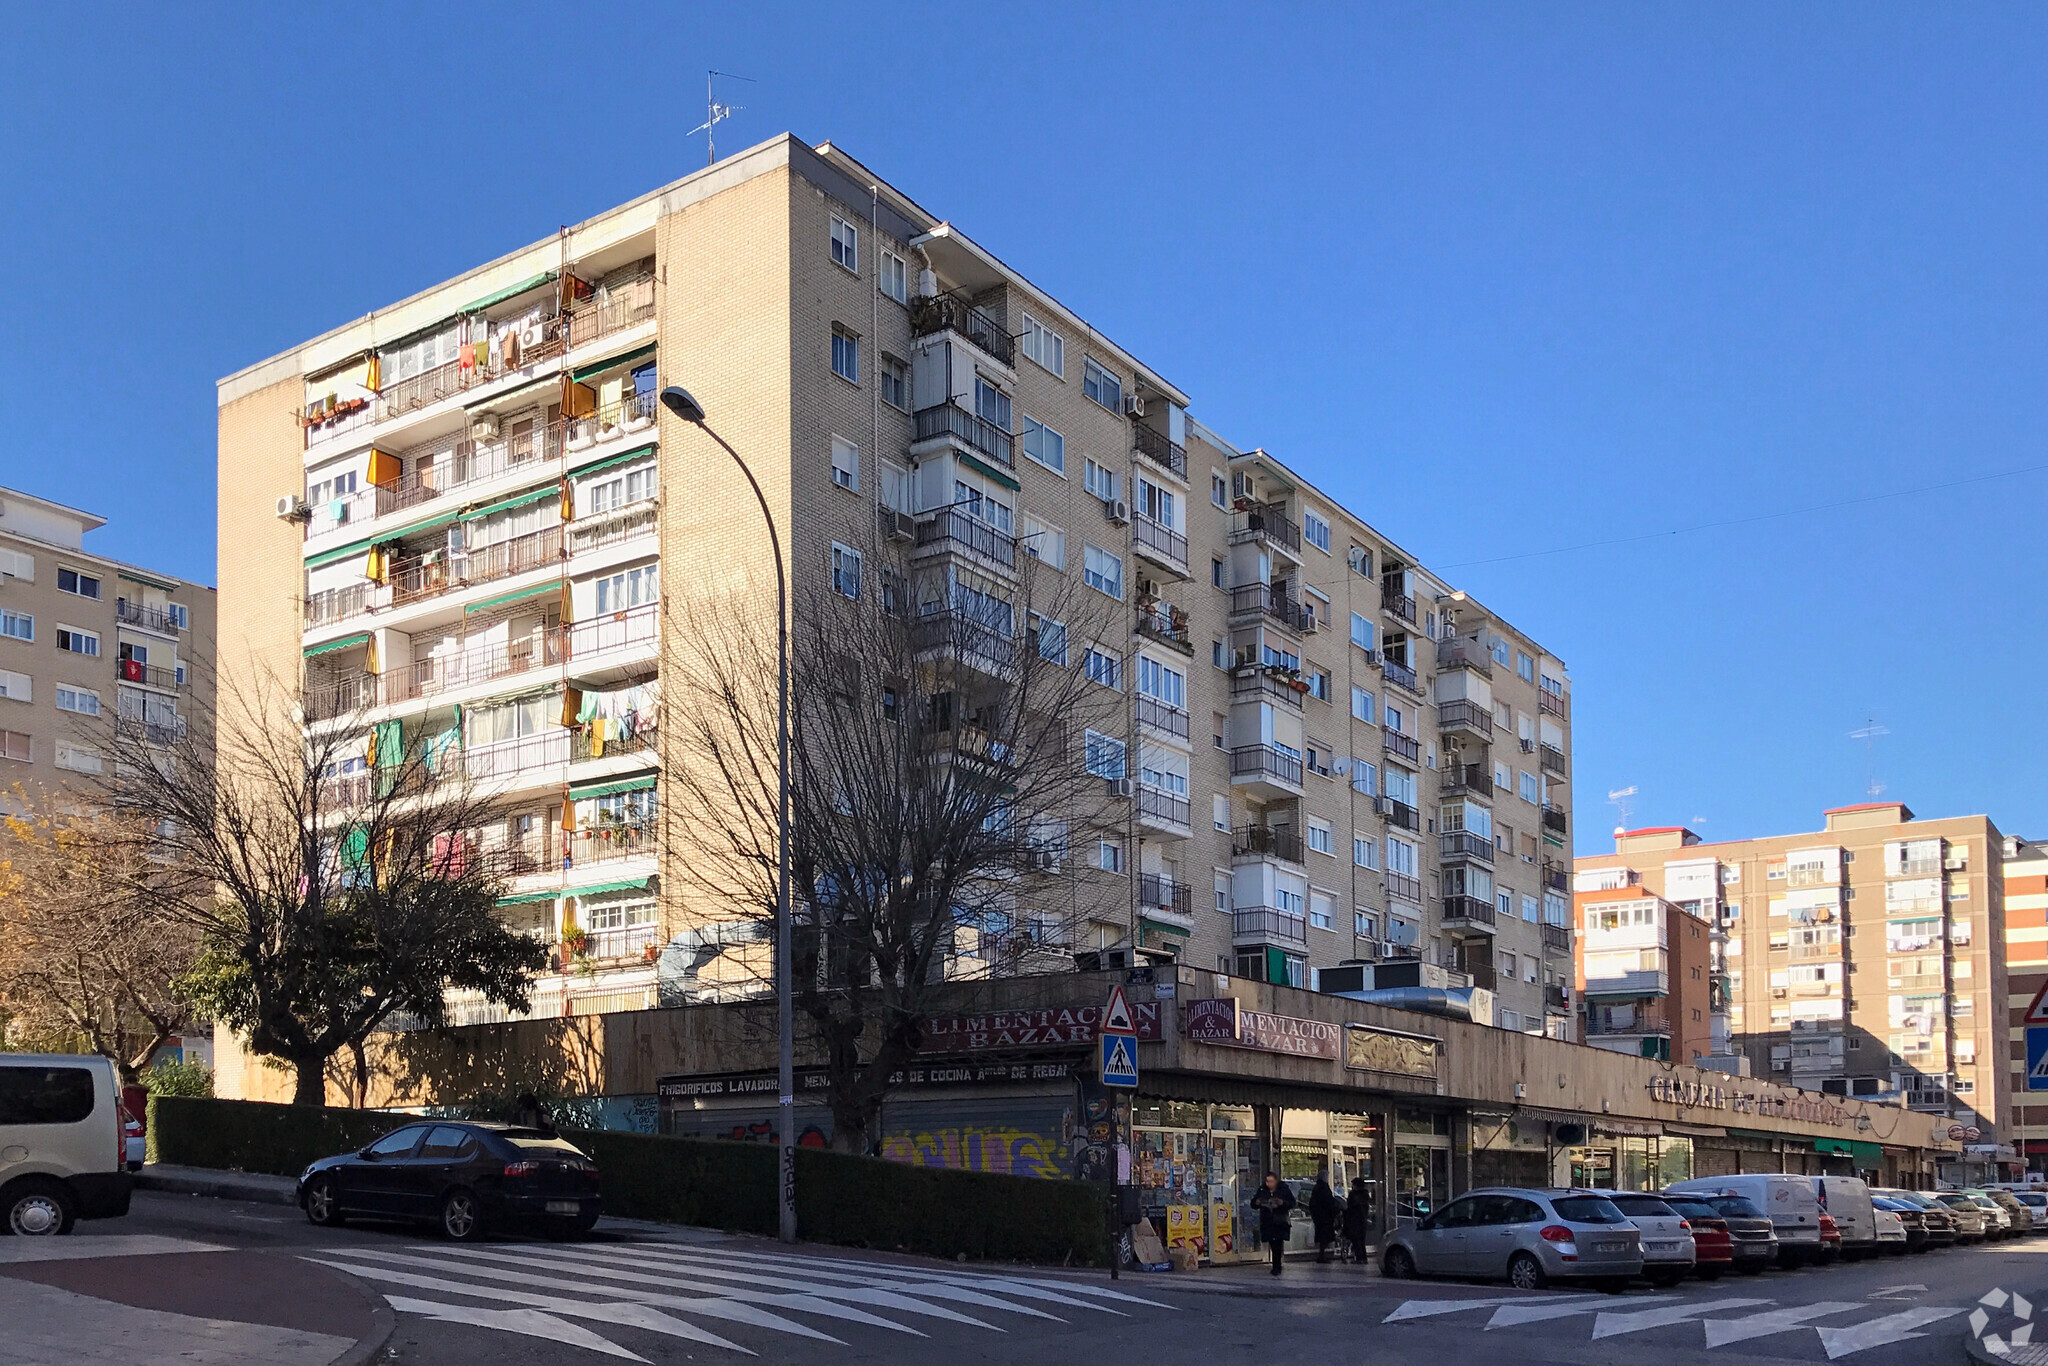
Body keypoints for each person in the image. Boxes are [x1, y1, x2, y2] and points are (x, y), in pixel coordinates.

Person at [1252, 1172, 1297, 1276]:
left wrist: (1282, 1203)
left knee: (1278, 1243)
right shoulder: (1263, 1190)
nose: (1269, 1184)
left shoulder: (1283, 1189)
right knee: (1272, 1243)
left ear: (1276, 1181)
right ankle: (1276, 1265)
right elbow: (1253, 1203)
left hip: (1280, 1221)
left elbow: (1292, 1203)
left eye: (1271, 1181)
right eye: (1267, 1181)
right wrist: (1257, 1202)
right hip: (1268, 1221)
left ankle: (1277, 1266)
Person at [1309, 1172, 1342, 1263]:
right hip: (1325, 1217)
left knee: (1322, 1236)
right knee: (1324, 1236)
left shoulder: (1317, 1188)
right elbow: (1328, 1201)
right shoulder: (1323, 1188)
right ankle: (1322, 1255)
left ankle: (1322, 1254)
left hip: (1320, 1217)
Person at [1342, 1182, 1370, 1264]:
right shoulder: (1365, 1195)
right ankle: (1363, 1258)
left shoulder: (1353, 1195)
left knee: (1356, 1239)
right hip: (1362, 1220)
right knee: (1361, 1240)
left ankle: (1359, 1258)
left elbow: (1349, 1207)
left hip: (1354, 1220)